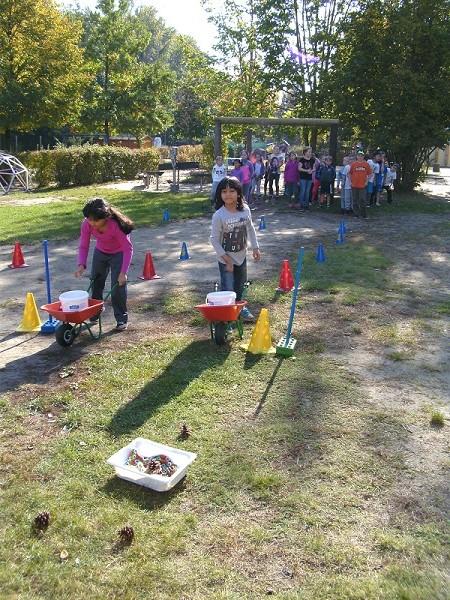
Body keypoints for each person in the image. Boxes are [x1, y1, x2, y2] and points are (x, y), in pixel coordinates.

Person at [75, 198, 134, 331]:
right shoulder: (86, 224)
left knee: (117, 286)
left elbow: (127, 249)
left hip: (118, 254)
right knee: (96, 282)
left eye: (96, 220)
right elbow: (84, 245)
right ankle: (96, 312)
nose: (92, 223)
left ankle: (121, 319)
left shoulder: (115, 226)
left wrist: (123, 273)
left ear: (106, 217)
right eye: (89, 219)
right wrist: (81, 264)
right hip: (101, 252)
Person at [210, 176, 261, 322]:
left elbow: (250, 229)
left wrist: (255, 248)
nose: (228, 194)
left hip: (241, 257)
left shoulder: (245, 210)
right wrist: (227, 260)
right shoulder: (219, 215)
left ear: (238, 192)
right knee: (228, 287)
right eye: (224, 191)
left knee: (240, 285)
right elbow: (213, 239)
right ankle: (227, 316)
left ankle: (239, 307)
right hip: (226, 259)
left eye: (232, 191)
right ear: (220, 194)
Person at [349, 151, 372, 218]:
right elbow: (350, 173)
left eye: (361, 155)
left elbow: (370, 173)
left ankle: (364, 214)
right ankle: (356, 214)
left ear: (363, 156)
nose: (360, 157)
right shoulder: (353, 164)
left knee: (362, 200)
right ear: (357, 156)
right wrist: (351, 182)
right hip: (354, 185)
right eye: (359, 155)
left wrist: (367, 181)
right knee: (355, 200)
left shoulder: (366, 164)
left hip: (363, 185)